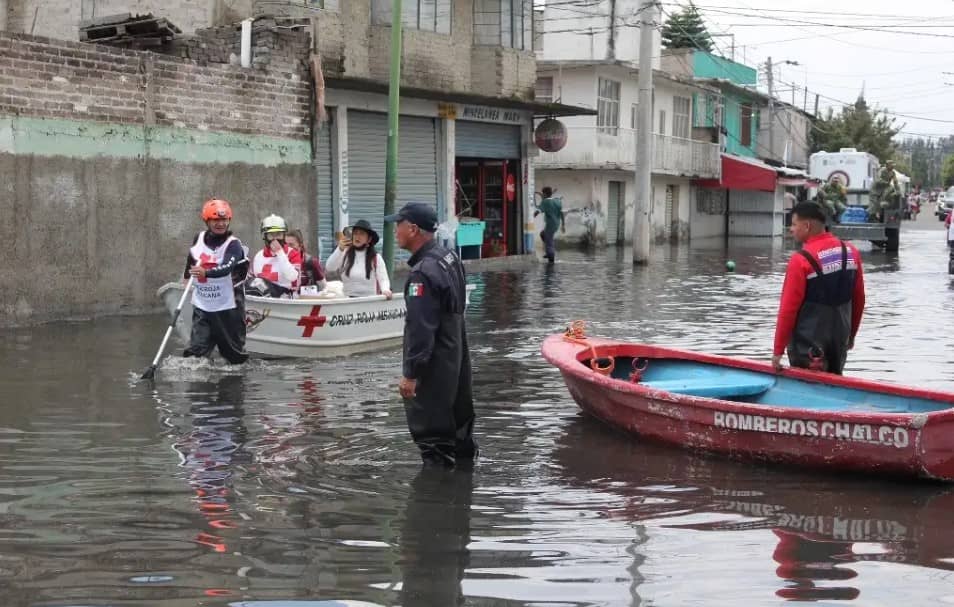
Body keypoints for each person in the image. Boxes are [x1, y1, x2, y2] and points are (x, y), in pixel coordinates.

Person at [385, 202, 477, 467]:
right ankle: (462, 496)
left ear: (413, 229)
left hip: (435, 365)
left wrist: (411, 374)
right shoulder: (449, 257)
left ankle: (434, 502)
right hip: (457, 356)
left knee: (434, 440)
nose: (395, 231)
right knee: (459, 433)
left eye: (398, 225)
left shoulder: (422, 273)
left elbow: (420, 328)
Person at [772, 201, 865, 375]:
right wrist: (851, 335)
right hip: (839, 342)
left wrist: (778, 351)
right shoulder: (851, 252)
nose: (791, 229)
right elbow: (859, 298)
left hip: (808, 346)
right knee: (834, 386)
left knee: (806, 390)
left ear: (807, 226)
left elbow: (788, 310)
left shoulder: (801, 260)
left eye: (793, 224)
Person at [182, 198, 249, 364]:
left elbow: (227, 267)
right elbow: (192, 258)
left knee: (234, 357)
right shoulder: (199, 238)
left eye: (224, 220)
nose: (221, 224)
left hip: (229, 306)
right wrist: (186, 277)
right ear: (207, 221)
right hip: (204, 304)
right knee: (196, 353)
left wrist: (206, 272)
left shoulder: (234, 245)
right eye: (216, 220)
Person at [324, 219, 392, 298]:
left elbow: (383, 279)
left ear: (369, 239)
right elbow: (329, 268)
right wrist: (339, 249)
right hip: (347, 301)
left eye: (362, 234)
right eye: (355, 233)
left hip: (369, 301)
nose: (357, 237)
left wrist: (385, 290)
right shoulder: (344, 253)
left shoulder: (376, 258)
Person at [250, 214, 301, 297]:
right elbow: (254, 280)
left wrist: (280, 253)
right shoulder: (258, 256)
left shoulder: (293, 253)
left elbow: (293, 277)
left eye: (278, 234)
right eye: (271, 235)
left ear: (284, 236)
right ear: (265, 237)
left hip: (287, 299)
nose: (275, 239)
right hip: (263, 300)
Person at [535, 187, 564, 263]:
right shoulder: (557, 201)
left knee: (549, 241)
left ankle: (551, 259)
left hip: (550, 225)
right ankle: (549, 252)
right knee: (543, 234)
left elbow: (538, 210)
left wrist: (532, 216)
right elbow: (562, 213)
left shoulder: (545, 202)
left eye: (542, 194)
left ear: (544, 194)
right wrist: (563, 225)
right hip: (556, 223)